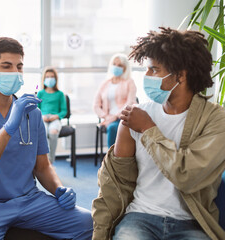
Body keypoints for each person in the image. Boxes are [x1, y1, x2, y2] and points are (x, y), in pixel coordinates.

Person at [0, 37, 93, 240]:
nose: (14, 73)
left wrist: (59, 188)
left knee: (88, 223)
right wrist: (8, 127)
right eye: (6, 66)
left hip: (28, 200)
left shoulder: (32, 113)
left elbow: (42, 166)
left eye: (19, 67)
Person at [92, 27, 225, 240]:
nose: (146, 76)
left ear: (180, 75)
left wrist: (147, 129)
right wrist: (101, 233)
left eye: (154, 69)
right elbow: (113, 183)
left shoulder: (215, 119)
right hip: (140, 217)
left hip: (191, 222)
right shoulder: (134, 116)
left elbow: (187, 176)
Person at [93, 53, 137, 148]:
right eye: (114, 64)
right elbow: (96, 105)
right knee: (112, 127)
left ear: (125, 68)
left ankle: (115, 157)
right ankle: (111, 159)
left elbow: (130, 102)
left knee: (113, 127)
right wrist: (106, 116)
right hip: (108, 119)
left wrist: (116, 116)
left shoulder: (130, 82)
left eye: (120, 65)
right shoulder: (105, 84)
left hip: (124, 116)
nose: (116, 67)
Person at [37, 67, 67, 164]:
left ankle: (51, 161)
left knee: (53, 133)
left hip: (55, 119)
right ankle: (44, 160)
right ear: (44, 79)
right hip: (43, 119)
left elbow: (64, 111)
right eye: (48, 77)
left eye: (52, 77)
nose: (50, 79)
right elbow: (36, 108)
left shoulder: (60, 94)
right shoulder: (40, 93)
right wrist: (42, 116)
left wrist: (56, 116)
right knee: (43, 133)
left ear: (56, 79)